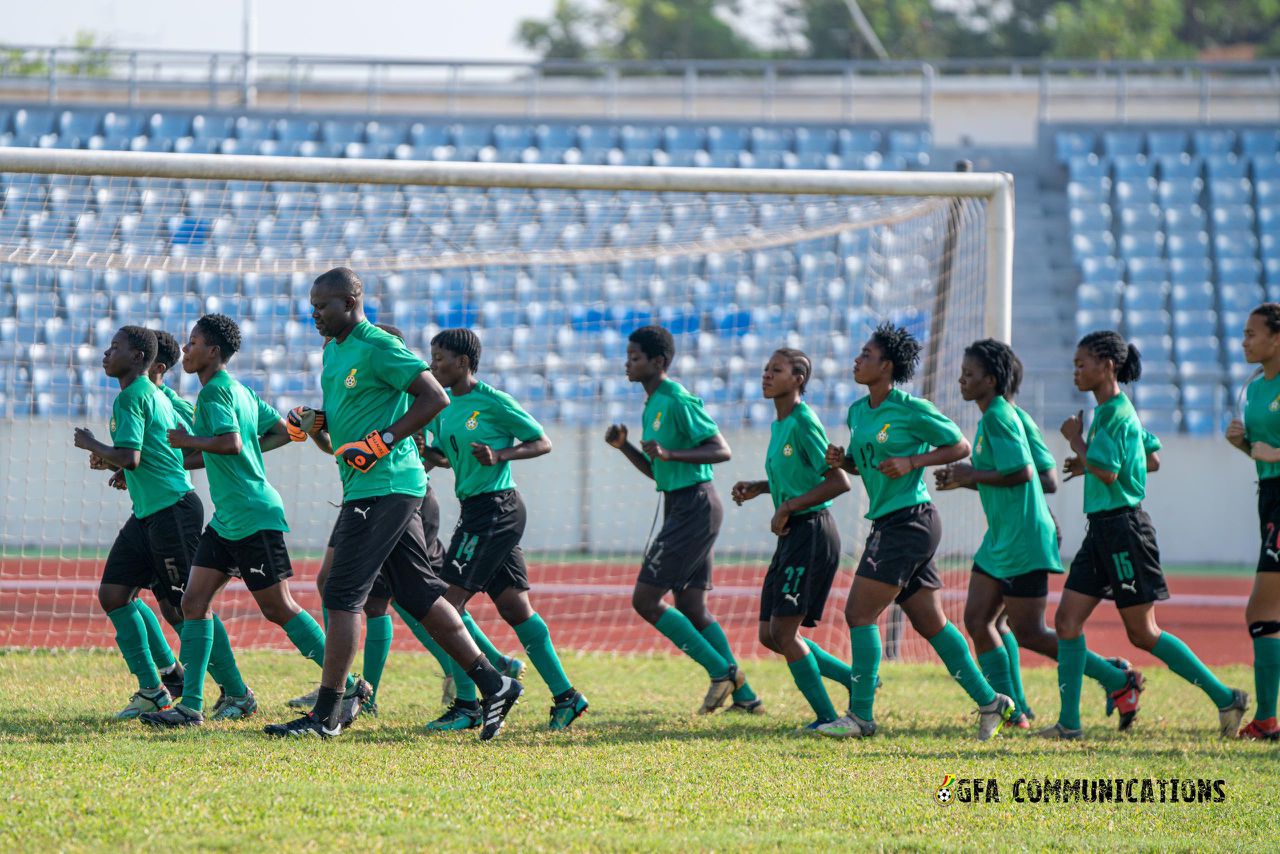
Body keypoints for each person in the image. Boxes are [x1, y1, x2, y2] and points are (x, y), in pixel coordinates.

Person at [261, 267, 522, 740]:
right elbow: (345, 432)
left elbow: (435, 397)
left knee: (341, 594)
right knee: (419, 593)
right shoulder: (333, 353)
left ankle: (326, 714)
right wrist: (316, 422)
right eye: (313, 306)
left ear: (352, 300)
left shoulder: (379, 345)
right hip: (367, 487)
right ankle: (494, 682)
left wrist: (382, 441)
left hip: (389, 486)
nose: (315, 314)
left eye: (324, 306)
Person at [139, 314, 358, 727]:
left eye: (193, 342)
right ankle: (192, 706)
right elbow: (276, 432)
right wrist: (198, 453)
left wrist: (192, 441)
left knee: (279, 608)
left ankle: (351, 684)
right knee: (192, 602)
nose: (186, 349)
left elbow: (230, 443)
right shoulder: (240, 391)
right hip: (228, 520)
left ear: (214, 352)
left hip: (255, 516)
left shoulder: (216, 394)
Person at [1043, 330, 1248, 739]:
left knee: (1143, 633)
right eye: (1074, 365)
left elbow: (1110, 471)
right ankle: (1069, 724)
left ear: (1107, 366)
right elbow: (1149, 459)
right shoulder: (1113, 413)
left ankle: (1227, 697)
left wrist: (1076, 441)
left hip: (1124, 531)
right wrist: (1090, 460)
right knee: (1067, 621)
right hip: (1101, 529)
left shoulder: (1114, 414)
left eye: (1082, 364)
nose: (1076, 372)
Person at [820, 322, 1014, 740]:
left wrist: (912, 461)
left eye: (866, 355)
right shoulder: (857, 411)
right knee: (932, 623)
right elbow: (862, 462)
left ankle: (860, 717)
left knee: (858, 613)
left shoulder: (910, 409)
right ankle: (991, 702)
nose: (857, 360)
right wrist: (843, 460)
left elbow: (959, 446)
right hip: (892, 520)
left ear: (887, 366)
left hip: (911, 521)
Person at [937, 339, 1136, 733]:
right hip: (1002, 538)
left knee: (1029, 632)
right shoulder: (1001, 417)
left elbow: (1029, 475)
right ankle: (1013, 711)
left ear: (991, 380)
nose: (961, 379)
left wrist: (971, 475)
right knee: (979, 620)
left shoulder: (998, 417)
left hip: (1023, 538)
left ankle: (1115, 679)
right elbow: (1031, 477)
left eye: (969, 374)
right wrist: (966, 481)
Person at [423, 328, 587, 731]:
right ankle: (567, 697)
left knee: (446, 604)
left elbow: (541, 441)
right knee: (515, 608)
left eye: (440, 358)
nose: (433, 364)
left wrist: (501, 454)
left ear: (463, 363)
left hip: (496, 508)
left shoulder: (493, 402)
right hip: (478, 508)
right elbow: (448, 456)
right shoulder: (442, 405)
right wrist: (425, 456)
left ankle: (468, 705)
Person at [604, 325, 759, 714]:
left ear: (658, 362)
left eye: (635, 357)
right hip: (681, 504)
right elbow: (659, 472)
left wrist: (671, 455)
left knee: (645, 599)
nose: (628, 363)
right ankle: (745, 697)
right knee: (691, 605)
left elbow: (720, 450)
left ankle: (721, 671)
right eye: (628, 356)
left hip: (696, 506)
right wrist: (625, 448)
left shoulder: (677, 400)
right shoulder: (652, 403)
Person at [72, 326, 205, 720]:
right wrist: (114, 462)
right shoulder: (146, 393)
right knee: (114, 594)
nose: (106, 353)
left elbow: (131, 456)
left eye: (116, 348)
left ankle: (229, 691)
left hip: (171, 510)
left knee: (187, 608)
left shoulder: (134, 396)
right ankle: (154, 689)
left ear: (137, 358)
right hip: (149, 512)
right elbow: (141, 456)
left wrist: (92, 443)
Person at [731, 349, 851, 732]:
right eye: (766, 368)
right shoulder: (779, 425)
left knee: (785, 632)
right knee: (770, 635)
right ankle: (854, 680)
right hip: (793, 532)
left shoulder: (803, 422)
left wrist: (787, 507)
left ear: (798, 379)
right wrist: (762, 487)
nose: (766, 375)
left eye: (776, 370)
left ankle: (827, 718)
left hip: (812, 532)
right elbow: (799, 476)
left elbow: (837, 481)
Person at [1225, 304, 1280, 740]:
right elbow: (1263, 455)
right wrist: (1243, 446)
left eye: (1250, 334)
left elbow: (1275, 454)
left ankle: (1265, 719)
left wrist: (1275, 454)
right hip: (1270, 498)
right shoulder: (1255, 387)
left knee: (1261, 610)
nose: (1244, 341)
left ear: (1276, 339)